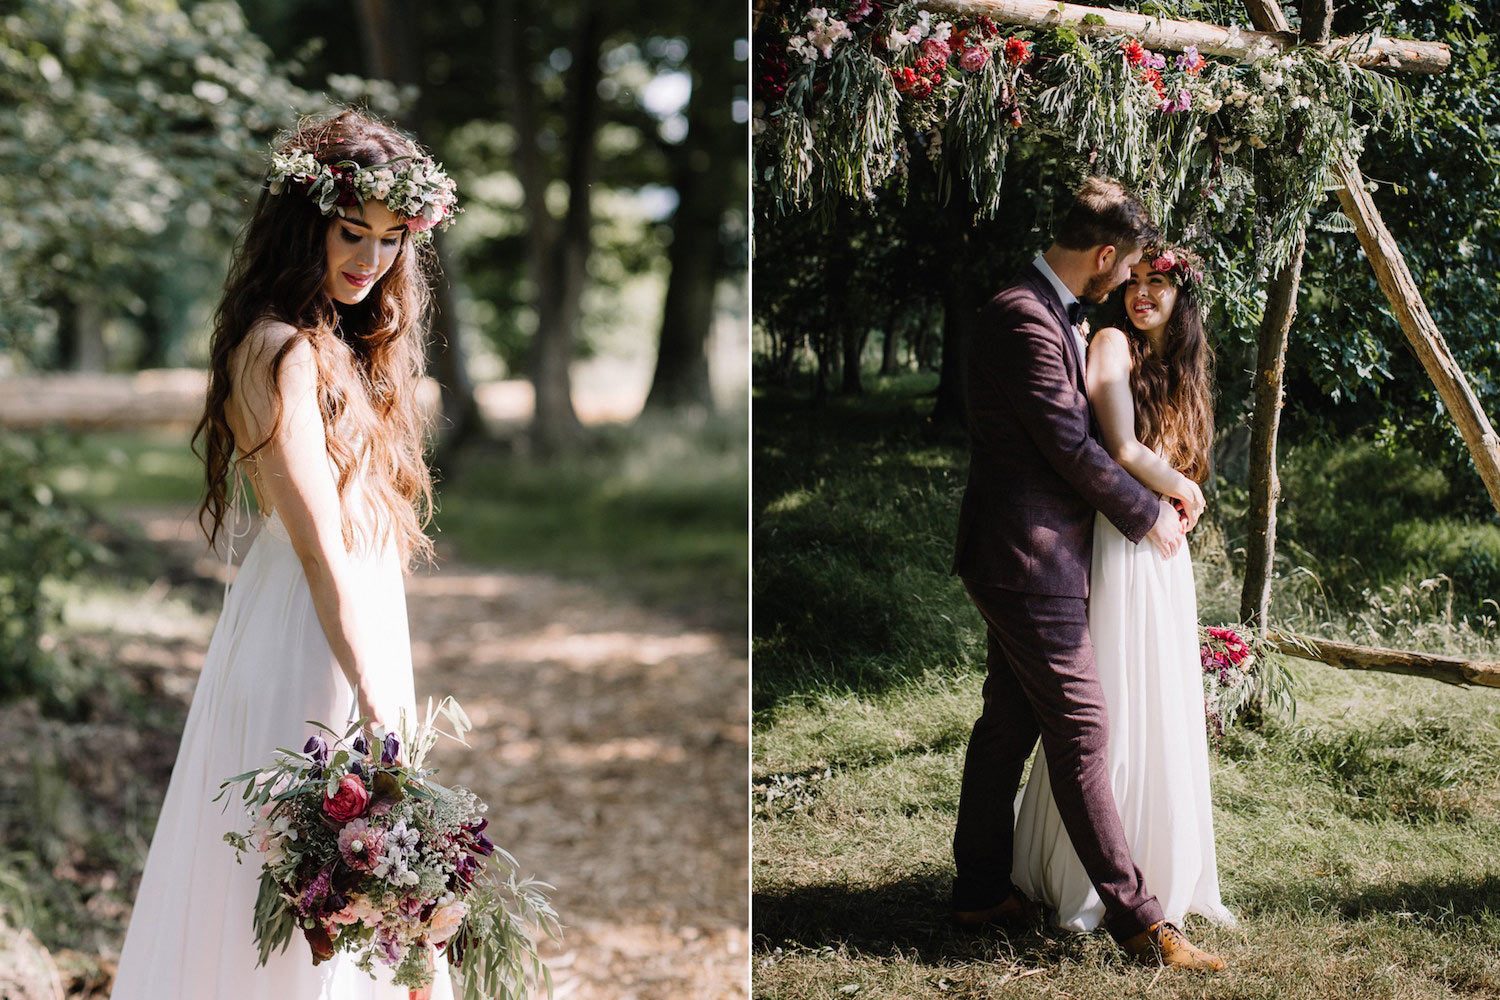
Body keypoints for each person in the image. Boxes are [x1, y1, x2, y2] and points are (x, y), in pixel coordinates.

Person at [109, 108, 461, 999]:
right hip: (311, 638)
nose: (370, 259)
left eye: (391, 239)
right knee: (299, 891)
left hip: (350, 626)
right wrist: (376, 695)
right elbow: (316, 550)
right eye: (352, 232)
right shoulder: (279, 352)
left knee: (352, 893)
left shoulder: (339, 344)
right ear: (304, 223)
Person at [949, 176, 1224, 971]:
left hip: (1036, 555)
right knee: (1082, 727)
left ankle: (978, 892)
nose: (1128, 282)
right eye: (1126, 267)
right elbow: (1072, 447)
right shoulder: (1022, 317)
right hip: (1027, 557)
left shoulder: (1048, 312)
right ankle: (1141, 923)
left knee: (1007, 724)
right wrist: (1151, 516)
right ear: (1106, 256)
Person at [1012, 245, 1236, 936]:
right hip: (1121, 533)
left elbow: (1172, 452)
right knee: (1116, 690)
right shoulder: (1109, 342)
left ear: (1181, 295)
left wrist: (1176, 502)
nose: (1141, 294)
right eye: (1134, 281)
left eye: (1157, 283)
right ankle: (1092, 877)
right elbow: (1117, 446)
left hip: (1163, 540)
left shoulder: (1187, 365)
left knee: (1164, 698)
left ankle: (1167, 870)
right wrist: (1184, 490)